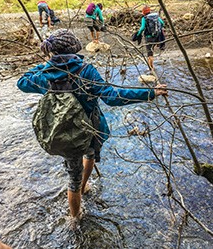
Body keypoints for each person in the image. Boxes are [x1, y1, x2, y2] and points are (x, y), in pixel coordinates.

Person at [17, 29, 167, 224]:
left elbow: (22, 82)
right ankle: (84, 188)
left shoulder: (46, 75)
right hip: (89, 131)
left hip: (63, 135)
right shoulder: (86, 72)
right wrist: (149, 93)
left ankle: (75, 219)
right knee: (90, 155)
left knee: (73, 178)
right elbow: (113, 97)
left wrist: (44, 65)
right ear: (74, 48)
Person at [137, 5, 165, 71]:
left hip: (148, 38)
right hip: (156, 36)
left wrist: (138, 34)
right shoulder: (156, 16)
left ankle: (151, 69)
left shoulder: (144, 18)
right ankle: (152, 67)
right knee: (152, 50)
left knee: (149, 53)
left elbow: (142, 28)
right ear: (149, 11)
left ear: (143, 12)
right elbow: (162, 23)